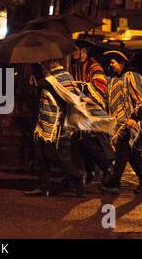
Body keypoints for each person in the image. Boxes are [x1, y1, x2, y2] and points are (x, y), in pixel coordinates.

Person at [24, 59, 115, 197]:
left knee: (59, 157)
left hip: (56, 125)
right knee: (42, 156)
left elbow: (47, 86)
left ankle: (78, 177)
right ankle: (44, 186)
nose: (43, 66)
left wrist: (36, 83)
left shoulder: (55, 79)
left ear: (50, 64)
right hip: (45, 124)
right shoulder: (63, 77)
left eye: (44, 64)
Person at [99, 49, 142, 195]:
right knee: (132, 153)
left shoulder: (132, 76)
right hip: (118, 123)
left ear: (122, 62)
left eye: (113, 62)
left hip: (130, 123)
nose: (110, 65)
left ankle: (114, 183)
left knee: (122, 153)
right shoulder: (113, 79)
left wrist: (134, 119)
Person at [69, 40, 114, 185]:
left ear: (84, 51)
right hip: (80, 111)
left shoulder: (94, 66)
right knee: (80, 142)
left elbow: (100, 87)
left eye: (76, 50)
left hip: (93, 110)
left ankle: (107, 168)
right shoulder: (74, 66)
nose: (74, 52)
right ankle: (88, 172)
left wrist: (83, 87)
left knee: (89, 142)